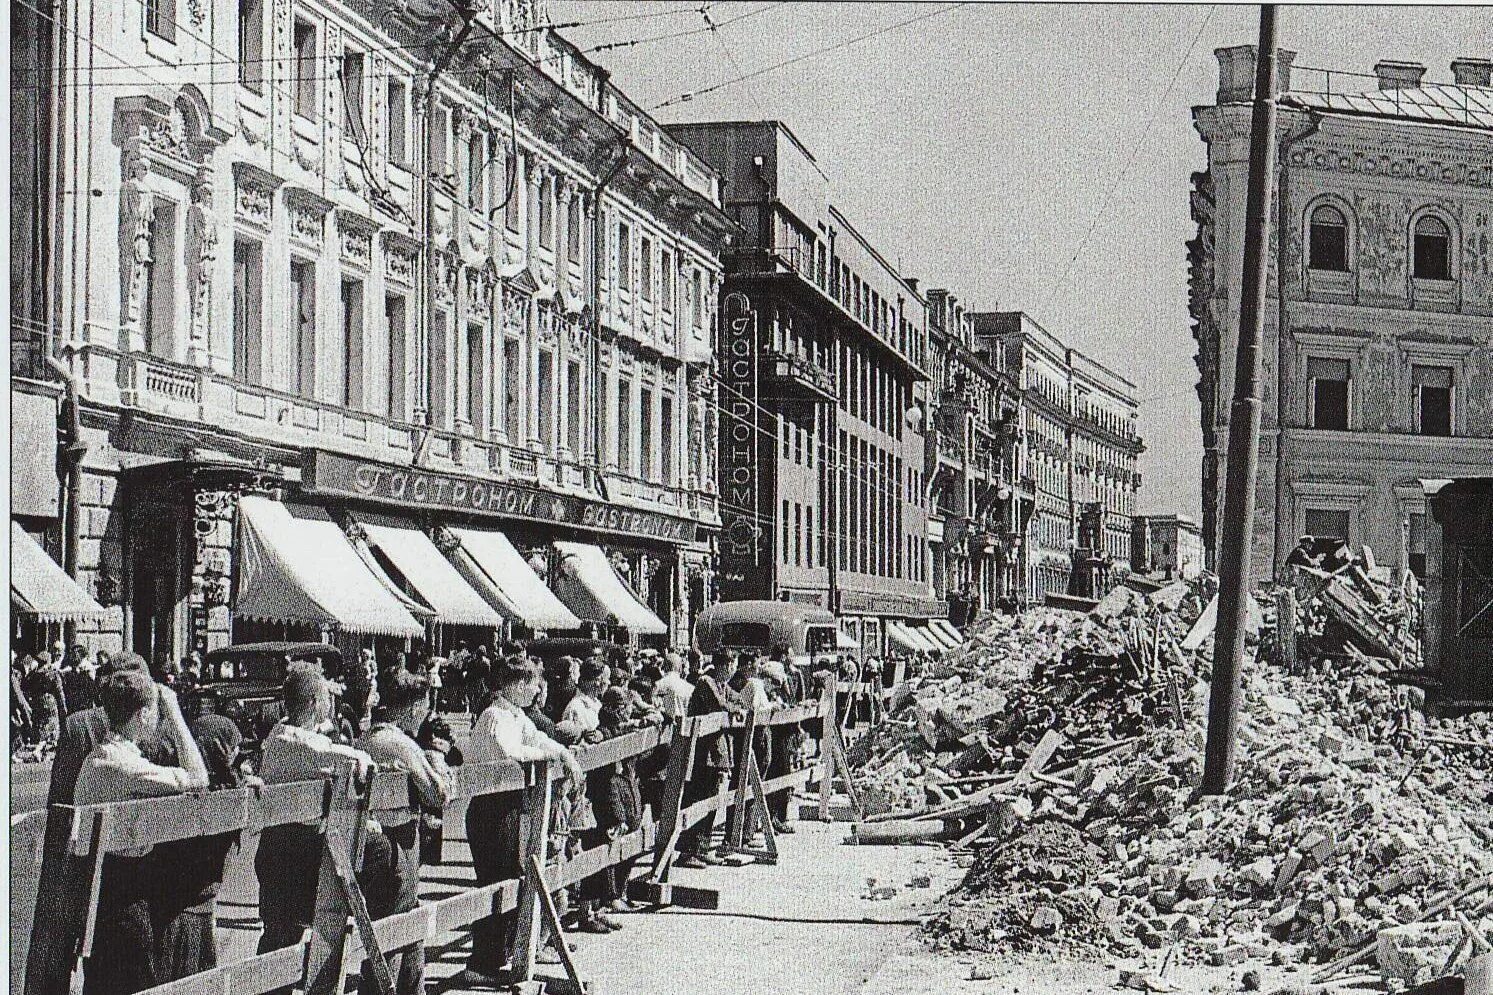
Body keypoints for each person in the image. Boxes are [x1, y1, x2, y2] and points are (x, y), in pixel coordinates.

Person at [75, 666, 209, 995]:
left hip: (96, 891)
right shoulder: (124, 765)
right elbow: (198, 779)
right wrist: (175, 714)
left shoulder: (99, 758)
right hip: (123, 895)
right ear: (142, 715)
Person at [459, 657, 582, 987]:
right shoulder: (493, 716)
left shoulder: (517, 715)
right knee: (494, 883)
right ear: (514, 685)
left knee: (510, 881)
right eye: (531, 684)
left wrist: (564, 755)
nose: (536, 689)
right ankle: (480, 964)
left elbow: (539, 738)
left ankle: (496, 958)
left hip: (508, 807)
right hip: (489, 810)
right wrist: (546, 758)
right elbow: (509, 751)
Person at [254, 664, 374, 987]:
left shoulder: (281, 733)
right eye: (323, 698)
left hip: (278, 847)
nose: (328, 705)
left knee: (283, 934)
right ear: (311, 703)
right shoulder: (293, 740)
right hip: (289, 850)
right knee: (285, 937)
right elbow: (350, 760)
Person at [356, 667, 451, 995]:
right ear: (413, 706)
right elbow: (438, 794)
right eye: (424, 706)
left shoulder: (368, 737)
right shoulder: (401, 744)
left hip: (376, 839)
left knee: (402, 919)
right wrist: (437, 759)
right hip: (398, 842)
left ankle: (412, 988)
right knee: (395, 926)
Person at [152, 710, 251, 983]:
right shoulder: (225, 794)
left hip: (171, 906)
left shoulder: (177, 783)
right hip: (190, 912)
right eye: (234, 748)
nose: (238, 755)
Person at [675, 653, 733, 868]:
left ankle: (702, 847)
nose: (732, 669)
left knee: (711, 801)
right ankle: (689, 850)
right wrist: (734, 708)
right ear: (724, 664)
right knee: (698, 799)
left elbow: (736, 699)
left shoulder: (721, 683)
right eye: (731, 664)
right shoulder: (705, 682)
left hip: (715, 753)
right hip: (703, 753)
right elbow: (719, 706)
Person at [653, 652, 693, 720]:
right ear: (680, 668)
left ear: (665, 667)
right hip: (686, 727)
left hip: (667, 728)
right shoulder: (690, 688)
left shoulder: (658, 685)